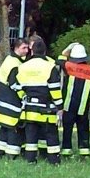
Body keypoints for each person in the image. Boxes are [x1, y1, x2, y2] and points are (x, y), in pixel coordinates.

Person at [13, 36, 62, 164]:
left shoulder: (23, 67)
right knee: (51, 135)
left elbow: (17, 86)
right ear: (44, 51)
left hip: (29, 108)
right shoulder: (50, 67)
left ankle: (30, 160)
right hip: (47, 109)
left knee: (31, 137)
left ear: (32, 51)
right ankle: (54, 161)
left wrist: (24, 97)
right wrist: (60, 106)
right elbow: (55, 89)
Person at [0, 36, 30, 159]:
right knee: (14, 129)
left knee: (4, 128)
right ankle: (11, 155)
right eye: (24, 48)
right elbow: (14, 84)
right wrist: (24, 95)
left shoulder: (9, 59)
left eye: (27, 48)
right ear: (17, 48)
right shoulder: (15, 64)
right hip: (12, 102)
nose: (27, 50)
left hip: (3, 100)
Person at [59, 43, 90, 158]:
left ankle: (66, 150)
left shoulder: (68, 66)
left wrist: (68, 48)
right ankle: (84, 151)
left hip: (68, 105)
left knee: (67, 128)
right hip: (83, 106)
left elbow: (59, 60)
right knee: (83, 129)